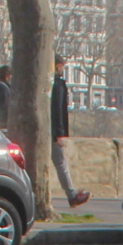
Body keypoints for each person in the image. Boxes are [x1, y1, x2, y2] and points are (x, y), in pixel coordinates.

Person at [50, 54, 90, 209]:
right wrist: (59, 133)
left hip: (47, 130)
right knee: (61, 163)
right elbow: (58, 109)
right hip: (54, 132)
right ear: (58, 66)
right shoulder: (58, 84)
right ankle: (72, 195)